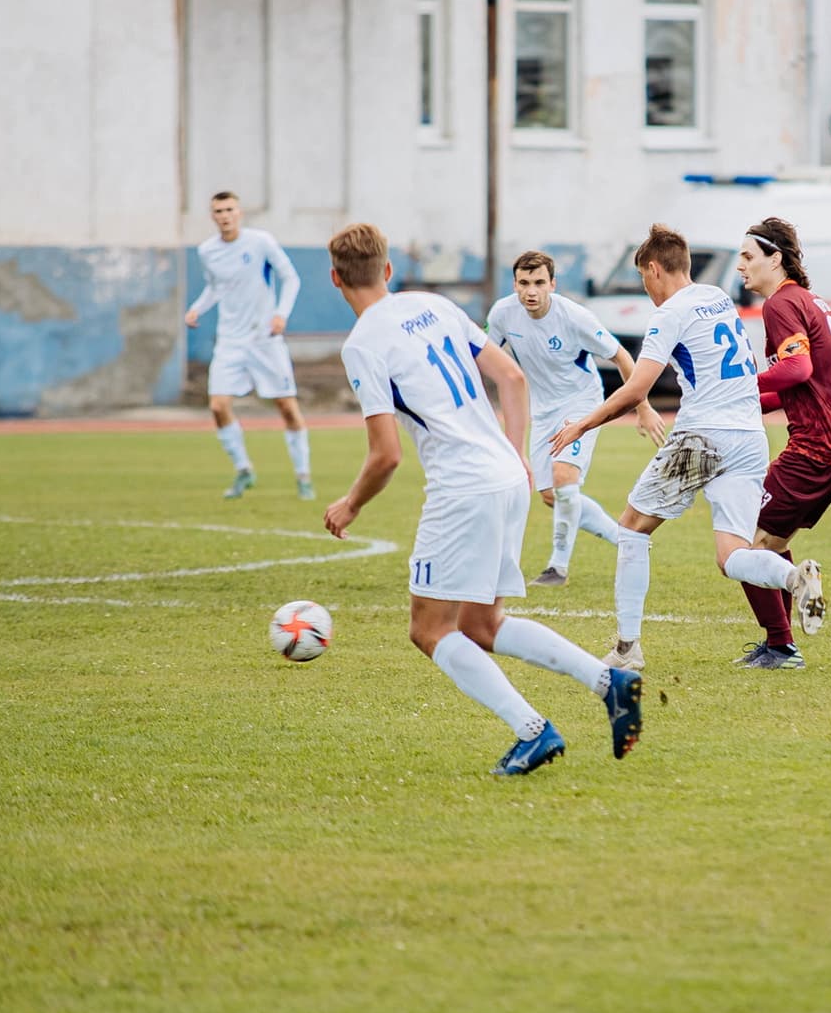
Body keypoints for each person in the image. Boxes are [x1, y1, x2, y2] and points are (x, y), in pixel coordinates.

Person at [321, 223, 642, 776]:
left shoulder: (362, 345)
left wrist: (350, 504)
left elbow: (386, 455)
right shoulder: (434, 305)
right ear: (389, 270)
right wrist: (517, 455)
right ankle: (609, 682)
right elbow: (512, 379)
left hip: (462, 487)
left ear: (335, 279)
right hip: (505, 474)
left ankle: (532, 731)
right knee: (481, 625)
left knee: (428, 629)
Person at [549, 224, 824, 672]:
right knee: (732, 555)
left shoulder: (669, 312)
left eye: (644, 279)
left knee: (632, 527)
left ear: (654, 270)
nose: (647, 290)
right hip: (749, 437)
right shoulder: (717, 295)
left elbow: (639, 384)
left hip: (703, 434)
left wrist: (583, 423)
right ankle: (794, 578)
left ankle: (626, 649)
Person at [729, 218, 831, 669]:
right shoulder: (808, 300)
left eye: (748, 256)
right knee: (772, 538)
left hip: (816, 447)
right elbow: (797, 386)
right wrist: (742, 400)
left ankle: (782, 644)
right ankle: (780, 644)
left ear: (775, 259)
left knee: (743, 544)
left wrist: (742, 382)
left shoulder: (780, 305)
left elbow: (796, 370)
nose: (740, 266)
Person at [487, 251, 667, 587]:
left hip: (581, 401)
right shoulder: (502, 314)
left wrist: (642, 407)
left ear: (552, 284)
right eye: (524, 283)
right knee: (551, 494)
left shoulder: (574, 317)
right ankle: (623, 538)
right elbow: (484, 356)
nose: (531, 291)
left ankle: (557, 568)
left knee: (564, 475)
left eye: (539, 282)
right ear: (514, 284)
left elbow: (622, 356)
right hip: (541, 409)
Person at [185, 191, 314, 500]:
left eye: (229, 209)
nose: (225, 215)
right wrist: (196, 309)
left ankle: (303, 476)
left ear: (239, 212)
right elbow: (216, 288)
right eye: (218, 211)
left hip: (264, 340)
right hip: (230, 340)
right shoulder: (207, 251)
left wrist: (281, 314)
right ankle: (244, 470)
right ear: (212, 216)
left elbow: (291, 278)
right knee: (218, 406)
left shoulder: (260, 242)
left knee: (287, 407)